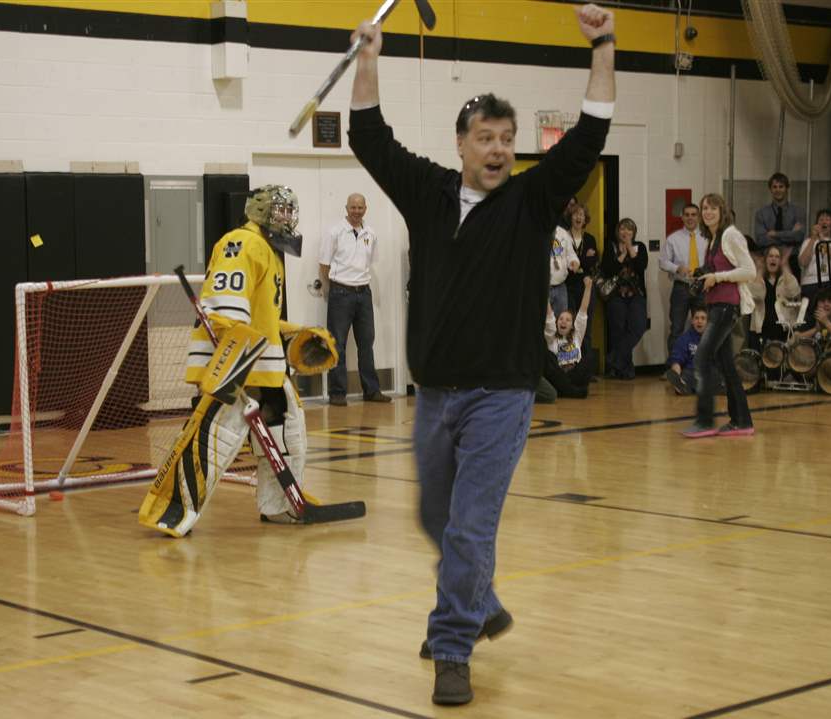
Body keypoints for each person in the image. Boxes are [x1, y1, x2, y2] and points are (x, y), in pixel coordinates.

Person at [347, 3, 615, 706]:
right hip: (433, 395)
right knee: (434, 519)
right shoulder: (428, 194)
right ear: (461, 144)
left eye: (506, 138)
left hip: (502, 394)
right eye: (484, 138)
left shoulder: (531, 201)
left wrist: (605, 44)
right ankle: (479, 599)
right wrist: (369, 56)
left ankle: (450, 644)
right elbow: (368, 136)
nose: (497, 149)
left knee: (468, 523)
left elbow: (591, 133)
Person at [138, 185, 337, 536]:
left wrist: (295, 331)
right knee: (217, 441)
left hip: (264, 366)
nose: (287, 218)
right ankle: (170, 510)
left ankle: (280, 506)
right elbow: (223, 306)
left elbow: (261, 316)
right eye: (280, 211)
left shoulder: (271, 250)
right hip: (234, 361)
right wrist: (237, 355)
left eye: (290, 212)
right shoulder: (241, 242)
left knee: (288, 433)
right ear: (259, 211)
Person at [682, 192, 756, 438]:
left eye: (713, 208)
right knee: (726, 366)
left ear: (722, 211)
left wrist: (718, 277)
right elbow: (721, 268)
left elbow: (749, 271)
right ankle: (742, 421)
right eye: (705, 208)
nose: (708, 212)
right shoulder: (713, 238)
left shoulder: (731, 234)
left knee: (702, 359)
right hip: (716, 304)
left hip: (727, 306)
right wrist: (705, 275)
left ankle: (705, 421)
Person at [319, 193, 391, 406]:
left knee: (367, 343)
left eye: (360, 207)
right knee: (337, 344)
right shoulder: (334, 232)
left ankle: (372, 390)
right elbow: (324, 265)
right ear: (346, 208)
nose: (356, 211)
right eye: (353, 207)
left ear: (365, 209)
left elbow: (370, 262)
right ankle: (337, 393)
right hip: (341, 293)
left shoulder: (371, 233)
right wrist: (332, 289)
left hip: (364, 293)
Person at [601, 217, 648, 379]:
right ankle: (624, 370)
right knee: (618, 331)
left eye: (629, 229)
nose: (625, 232)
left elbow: (641, 266)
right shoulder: (611, 247)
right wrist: (622, 254)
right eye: (622, 228)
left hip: (636, 294)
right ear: (617, 231)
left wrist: (630, 248)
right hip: (616, 294)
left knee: (639, 326)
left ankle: (613, 359)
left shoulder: (640, 247)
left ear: (634, 232)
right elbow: (608, 269)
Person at [659, 203, 708, 353]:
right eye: (687, 214)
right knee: (677, 328)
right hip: (682, 288)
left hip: (702, 288)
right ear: (682, 217)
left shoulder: (707, 238)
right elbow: (662, 262)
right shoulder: (673, 238)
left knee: (703, 328)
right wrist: (677, 268)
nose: (690, 218)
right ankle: (674, 367)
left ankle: (699, 365)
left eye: (693, 214)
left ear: (699, 217)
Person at [544, 275, 595, 397]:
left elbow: (583, 310)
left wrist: (588, 288)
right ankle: (572, 392)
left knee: (590, 358)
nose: (563, 322)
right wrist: (544, 289)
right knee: (547, 357)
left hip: (575, 374)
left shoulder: (577, 335)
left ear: (572, 325)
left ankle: (565, 390)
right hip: (559, 374)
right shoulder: (551, 337)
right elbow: (549, 313)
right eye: (561, 319)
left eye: (567, 320)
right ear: (556, 323)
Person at [753, 172, 806, 275]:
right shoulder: (761, 213)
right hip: (768, 261)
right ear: (770, 189)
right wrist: (790, 235)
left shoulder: (798, 211)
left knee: (792, 290)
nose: (778, 190)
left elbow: (799, 236)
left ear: (787, 188)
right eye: (774, 187)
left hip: (792, 260)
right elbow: (760, 240)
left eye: (781, 186)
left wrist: (775, 234)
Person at [749, 245, 801, 350]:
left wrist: (785, 266)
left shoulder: (786, 279)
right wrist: (759, 270)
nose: (773, 259)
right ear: (765, 260)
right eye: (770, 256)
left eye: (777, 257)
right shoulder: (757, 279)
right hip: (762, 330)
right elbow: (755, 295)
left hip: (783, 330)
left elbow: (794, 292)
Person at [565, 203, 599, 348]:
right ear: (571, 217)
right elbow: (564, 263)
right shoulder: (563, 236)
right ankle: (570, 364)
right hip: (567, 286)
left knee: (586, 326)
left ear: (585, 220)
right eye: (575, 214)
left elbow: (592, 263)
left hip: (586, 287)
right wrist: (584, 260)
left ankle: (585, 367)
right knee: (569, 326)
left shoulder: (590, 239)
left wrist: (577, 264)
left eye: (582, 215)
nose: (579, 217)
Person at [798, 208, 831, 305]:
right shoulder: (808, 241)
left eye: (827, 219)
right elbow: (803, 262)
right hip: (811, 282)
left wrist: (824, 241)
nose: (824, 222)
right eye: (821, 219)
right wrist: (814, 238)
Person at [665, 306, 708, 395]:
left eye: (703, 318)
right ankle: (681, 385)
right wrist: (676, 375)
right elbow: (676, 360)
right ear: (692, 321)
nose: (699, 321)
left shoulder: (713, 338)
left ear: (707, 322)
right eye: (696, 318)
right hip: (691, 371)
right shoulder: (684, 339)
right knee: (687, 377)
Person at [550, 224, 580, 317]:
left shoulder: (563, 233)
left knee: (561, 320)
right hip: (541, 287)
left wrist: (574, 261)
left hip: (561, 286)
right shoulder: (536, 231)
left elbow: (570, 254)